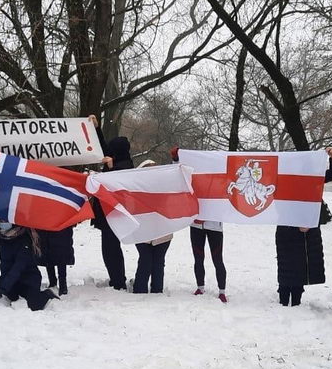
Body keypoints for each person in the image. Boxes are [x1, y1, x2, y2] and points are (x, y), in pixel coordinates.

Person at [275, 147, 332, 306]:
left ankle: (296, 298)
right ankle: (283, 298)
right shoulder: (281, 179)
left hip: (306, 231)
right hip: (286, 229)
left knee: (300, 265)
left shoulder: (312, 177)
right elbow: (278, 205)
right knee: (285, 264)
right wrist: (295, 221)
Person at [171, 147, 229, 303]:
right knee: (198, 258)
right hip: (196, 224)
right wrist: (177, 159)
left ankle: (222, 291)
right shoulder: (194, 177)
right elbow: (179, 174)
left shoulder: (220, 180)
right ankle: (200, 287)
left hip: (214, 225)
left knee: (217, 259)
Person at [89, 115, 134, 290]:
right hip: (108, 215)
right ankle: (116, 278)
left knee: (111, 250)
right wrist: (97, 128)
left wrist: (109, 169)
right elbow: (104, 148)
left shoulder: (125, 166)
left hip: (113, 217)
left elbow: (117, 182)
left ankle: (118, 281)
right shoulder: (118, 160)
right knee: (109, 249)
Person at [0, 223, 58, 311]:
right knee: (12, 296)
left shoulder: (24, 240)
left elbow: (18, 267)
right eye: (0, 220)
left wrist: (4, 287)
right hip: (11, 280)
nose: (2, 223)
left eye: (5, 221)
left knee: (34, 304)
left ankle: (47, 294)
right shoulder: (1, 237)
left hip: (28, 279)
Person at [130, 160, 172, 293]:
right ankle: (140, 289)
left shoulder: (166, 188)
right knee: (145, 260)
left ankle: (157, 290)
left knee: (158, 262)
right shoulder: (135, 190)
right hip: (142, 233)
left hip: (162, 233)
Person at [37, 227, 74, 295]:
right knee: (53, 251)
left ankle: (58, 283)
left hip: (54, 226)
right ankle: (58, 283)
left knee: (54, 251)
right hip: (60, 227)